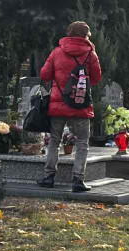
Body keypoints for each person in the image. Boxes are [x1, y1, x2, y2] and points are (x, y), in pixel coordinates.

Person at [37, 21, 103, 192]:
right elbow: (96, 79)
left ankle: (49, 177)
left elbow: (44, 74)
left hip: (59, 104)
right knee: (82, 142)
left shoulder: (57, 52)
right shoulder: (90, 54)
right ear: (85, 36)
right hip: (80, 104)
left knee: (54, 142)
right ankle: (78, 180)